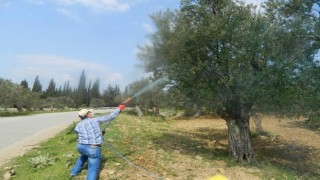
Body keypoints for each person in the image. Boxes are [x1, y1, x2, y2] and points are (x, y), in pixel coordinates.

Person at [70, 104, 126, 180]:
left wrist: (99, 134)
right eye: (89, 112)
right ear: (87, 115)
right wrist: (119, 108)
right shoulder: (95, 120)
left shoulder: (78, 125)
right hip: (93, 148)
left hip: (81, 147)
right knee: (93, 169)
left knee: (83, 156)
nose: (91, 113)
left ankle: (73, 173)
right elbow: (110, 117)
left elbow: (80, 135)